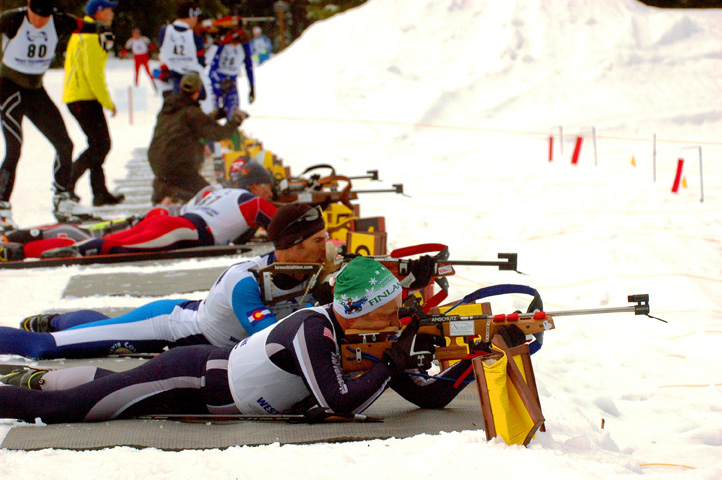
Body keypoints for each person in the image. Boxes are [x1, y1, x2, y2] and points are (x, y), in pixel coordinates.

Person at [0, 256, 480, 424]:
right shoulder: (314, 328)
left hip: (203, 374)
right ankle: (30, 388)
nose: (398, 322)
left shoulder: (367, 339)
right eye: (390, 312)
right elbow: (341, 403)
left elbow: (429, 395)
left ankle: (37, 379)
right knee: (69, 412)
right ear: (359, 311)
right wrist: (392, 364)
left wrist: (475, 360)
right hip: (189, 377)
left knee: (103, 389)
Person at [0, 203, 330, 365]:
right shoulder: (245, 281)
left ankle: (59, 320)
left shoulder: (309, 268)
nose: (328, 246)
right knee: (45, 347)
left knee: (107, 330)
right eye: (320, 239)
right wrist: (319, 301)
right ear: (296, 245)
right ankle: (55, 327)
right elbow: (270, 338)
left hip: (187, 326)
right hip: (165, 327)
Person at [0, 162, 277, 260]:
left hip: (173, 221)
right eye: (268, 187)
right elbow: (281, 223)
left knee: (103, 240)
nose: (271, 193)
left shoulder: (215, 190)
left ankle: (20, 243)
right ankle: (20, 250)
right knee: (104, 246)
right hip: (184, 229)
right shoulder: (252, 202)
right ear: (255, 185)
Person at [0, 0, 114, 226]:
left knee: (65, 145)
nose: (39, 21)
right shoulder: (12, 19)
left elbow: (88, 25)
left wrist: (103, 30)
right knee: (14, 147)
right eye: (35, 15)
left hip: (35, 90)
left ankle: (62, 199)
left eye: (44, 16)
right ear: (28, 7)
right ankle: (2, 206)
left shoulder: (59, 21)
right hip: (8, 87)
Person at [147, 71, 248, 205]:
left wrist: (217, 114)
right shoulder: (192, 113)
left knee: (190, 188)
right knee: (207, 196)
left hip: (158, 162)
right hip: (177, 165)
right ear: (198, 90)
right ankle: (165, 189)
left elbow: (193, 123)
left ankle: (165, 185)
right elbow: (218, 134)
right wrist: (235, 120)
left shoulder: (169, 108)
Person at [62, 0, 124, 208]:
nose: (113, 13)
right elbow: (93, 73)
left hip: (82, 95)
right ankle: (66, 186)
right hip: (83, 97)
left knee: (99, 144)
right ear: (98, 12)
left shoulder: (85, 30)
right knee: (100, 144)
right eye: (109, 9)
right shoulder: (91, 34)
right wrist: (107, 101)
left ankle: (99, 193)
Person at [157, 1, 206, 98]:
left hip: (170, 81)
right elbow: (201, 63)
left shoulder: (164, 31)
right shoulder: (195, 37)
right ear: (192, 15)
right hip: (192, 84)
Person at [208, 28, 255, 119]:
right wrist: (219, 80)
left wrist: (252, 86)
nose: (235, 45)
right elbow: (213, 64)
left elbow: (249, 66)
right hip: (216, 79)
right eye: (233, 43)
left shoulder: (244, 47)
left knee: (233, 111)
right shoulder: (223, 45)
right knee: (213, 112)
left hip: (231, 80)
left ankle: (231, 129)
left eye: (237, 43)